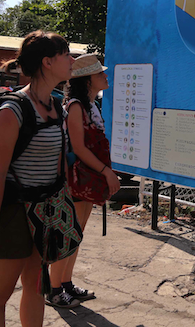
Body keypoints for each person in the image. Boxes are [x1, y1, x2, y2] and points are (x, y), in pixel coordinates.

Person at [0, 30, 75, 324]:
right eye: (66, 54)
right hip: (13, 214)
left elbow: (58, 165)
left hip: (45, 214)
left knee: (36, 288)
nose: (72, 60)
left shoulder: (57, 107)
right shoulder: (12, 110)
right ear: (47, 62)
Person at [47, 54, 119, 307]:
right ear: (87, 79)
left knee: (76, 234)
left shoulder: (89, 105)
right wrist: (107, 171)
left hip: (86, 178)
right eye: (100, 73)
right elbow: (78, 147)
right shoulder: (76, 106)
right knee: (68, 234)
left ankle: (66, 284)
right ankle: (54, 290)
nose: (105, 76)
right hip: (75, 179)